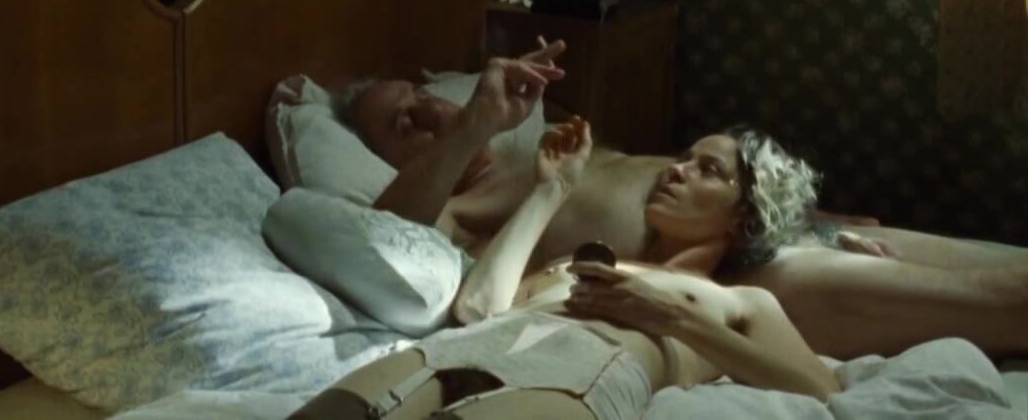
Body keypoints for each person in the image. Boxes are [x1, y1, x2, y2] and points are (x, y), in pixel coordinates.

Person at [337, 42, 1028, 360]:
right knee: (1006, 306)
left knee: (1009, 270)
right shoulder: (466, 204)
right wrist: (471, 125)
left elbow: (724, 183)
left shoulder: (536, 147)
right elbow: (384, 235)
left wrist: (824, 223)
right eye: (401, 123)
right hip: (751, 277)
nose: (427, 111)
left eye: (420, 95)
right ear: (388, 160)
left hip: (781, 230)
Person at [288, 117, 841, 419]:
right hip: (472, 343)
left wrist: (672, 319)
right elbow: (477, 307)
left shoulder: (740, 301)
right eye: (683, 160)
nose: (677, 171)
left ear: (744, 215)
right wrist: (551, 189)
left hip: (585, 369)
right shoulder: (572, 263)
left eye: (707, 170)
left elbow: (819, 389)